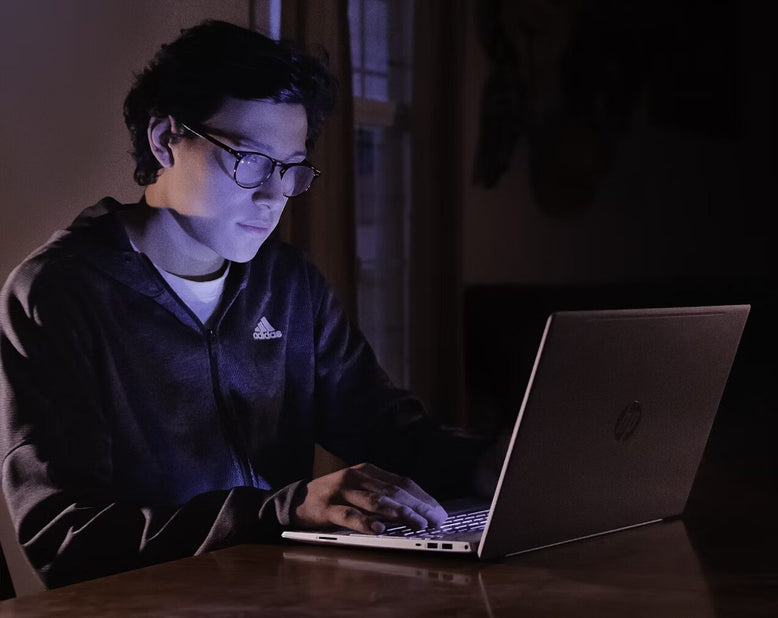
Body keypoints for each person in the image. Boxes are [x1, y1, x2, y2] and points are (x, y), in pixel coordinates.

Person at [0, 20, 486, 589]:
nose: (275, 194)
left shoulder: (289, 284)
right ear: (165, 140)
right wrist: (280, 512)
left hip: (281, 599)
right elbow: (65, 539)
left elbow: (383, 426)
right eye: (249, 159)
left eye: (291, 168)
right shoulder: (59, 294)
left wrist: (491, 465)